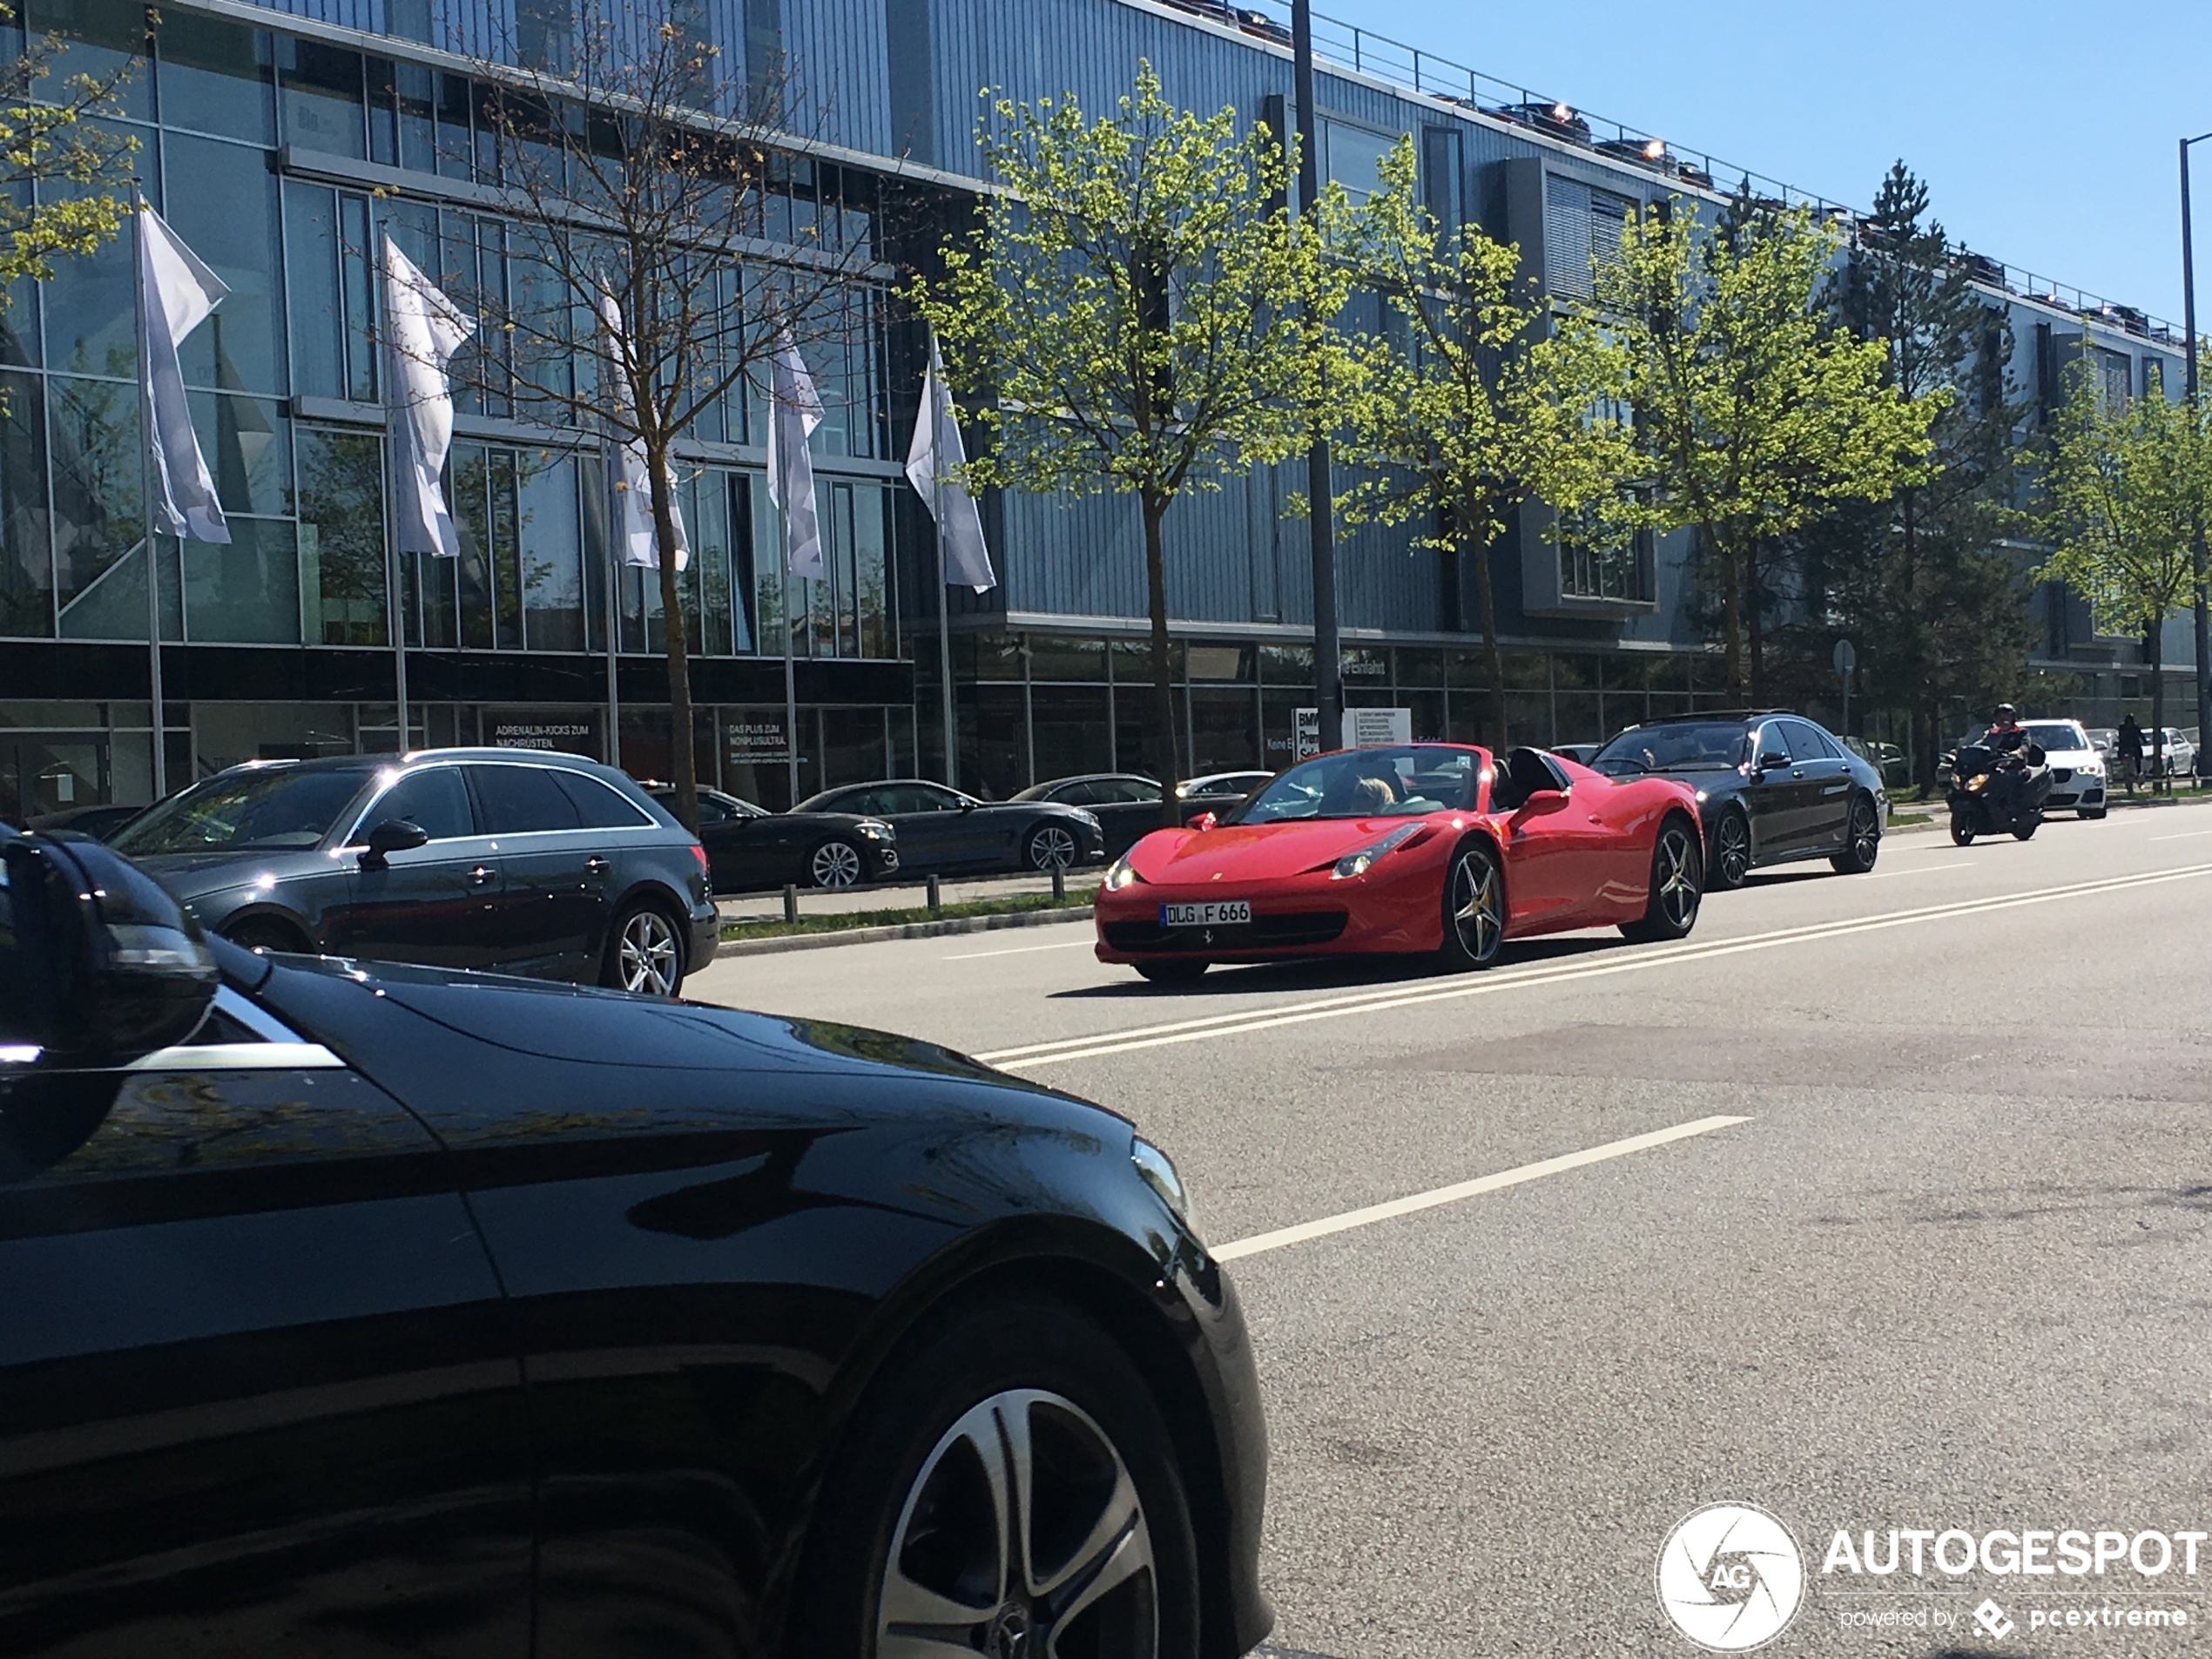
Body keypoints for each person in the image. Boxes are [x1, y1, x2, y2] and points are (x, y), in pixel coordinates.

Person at [2118, 713, 2145, 796]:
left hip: (2128, 749)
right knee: (2134, 764)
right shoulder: (2133, 727)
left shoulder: (2124, 727)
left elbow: (2140, 736)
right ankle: (2135, 776)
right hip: (2129, 749)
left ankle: (2136, 775)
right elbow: (2141, 736)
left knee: (2136, 763)